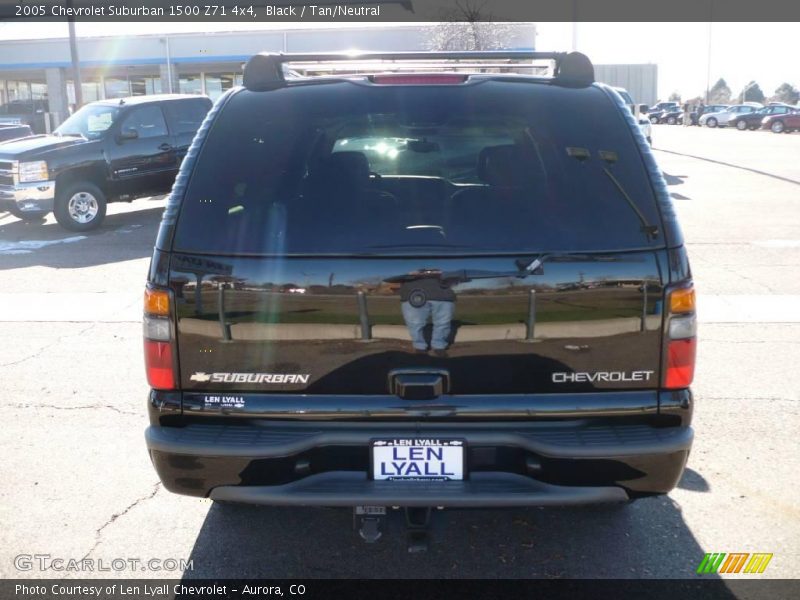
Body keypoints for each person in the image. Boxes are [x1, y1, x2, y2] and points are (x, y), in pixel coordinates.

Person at [398, 269, 456, 357]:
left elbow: (456, 280)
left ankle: (439, 346)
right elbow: (396, 277)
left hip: (443, 294)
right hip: (413, 294)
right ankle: (419, 347)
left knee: (443, 323)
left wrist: (444, 274)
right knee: (414, 323)